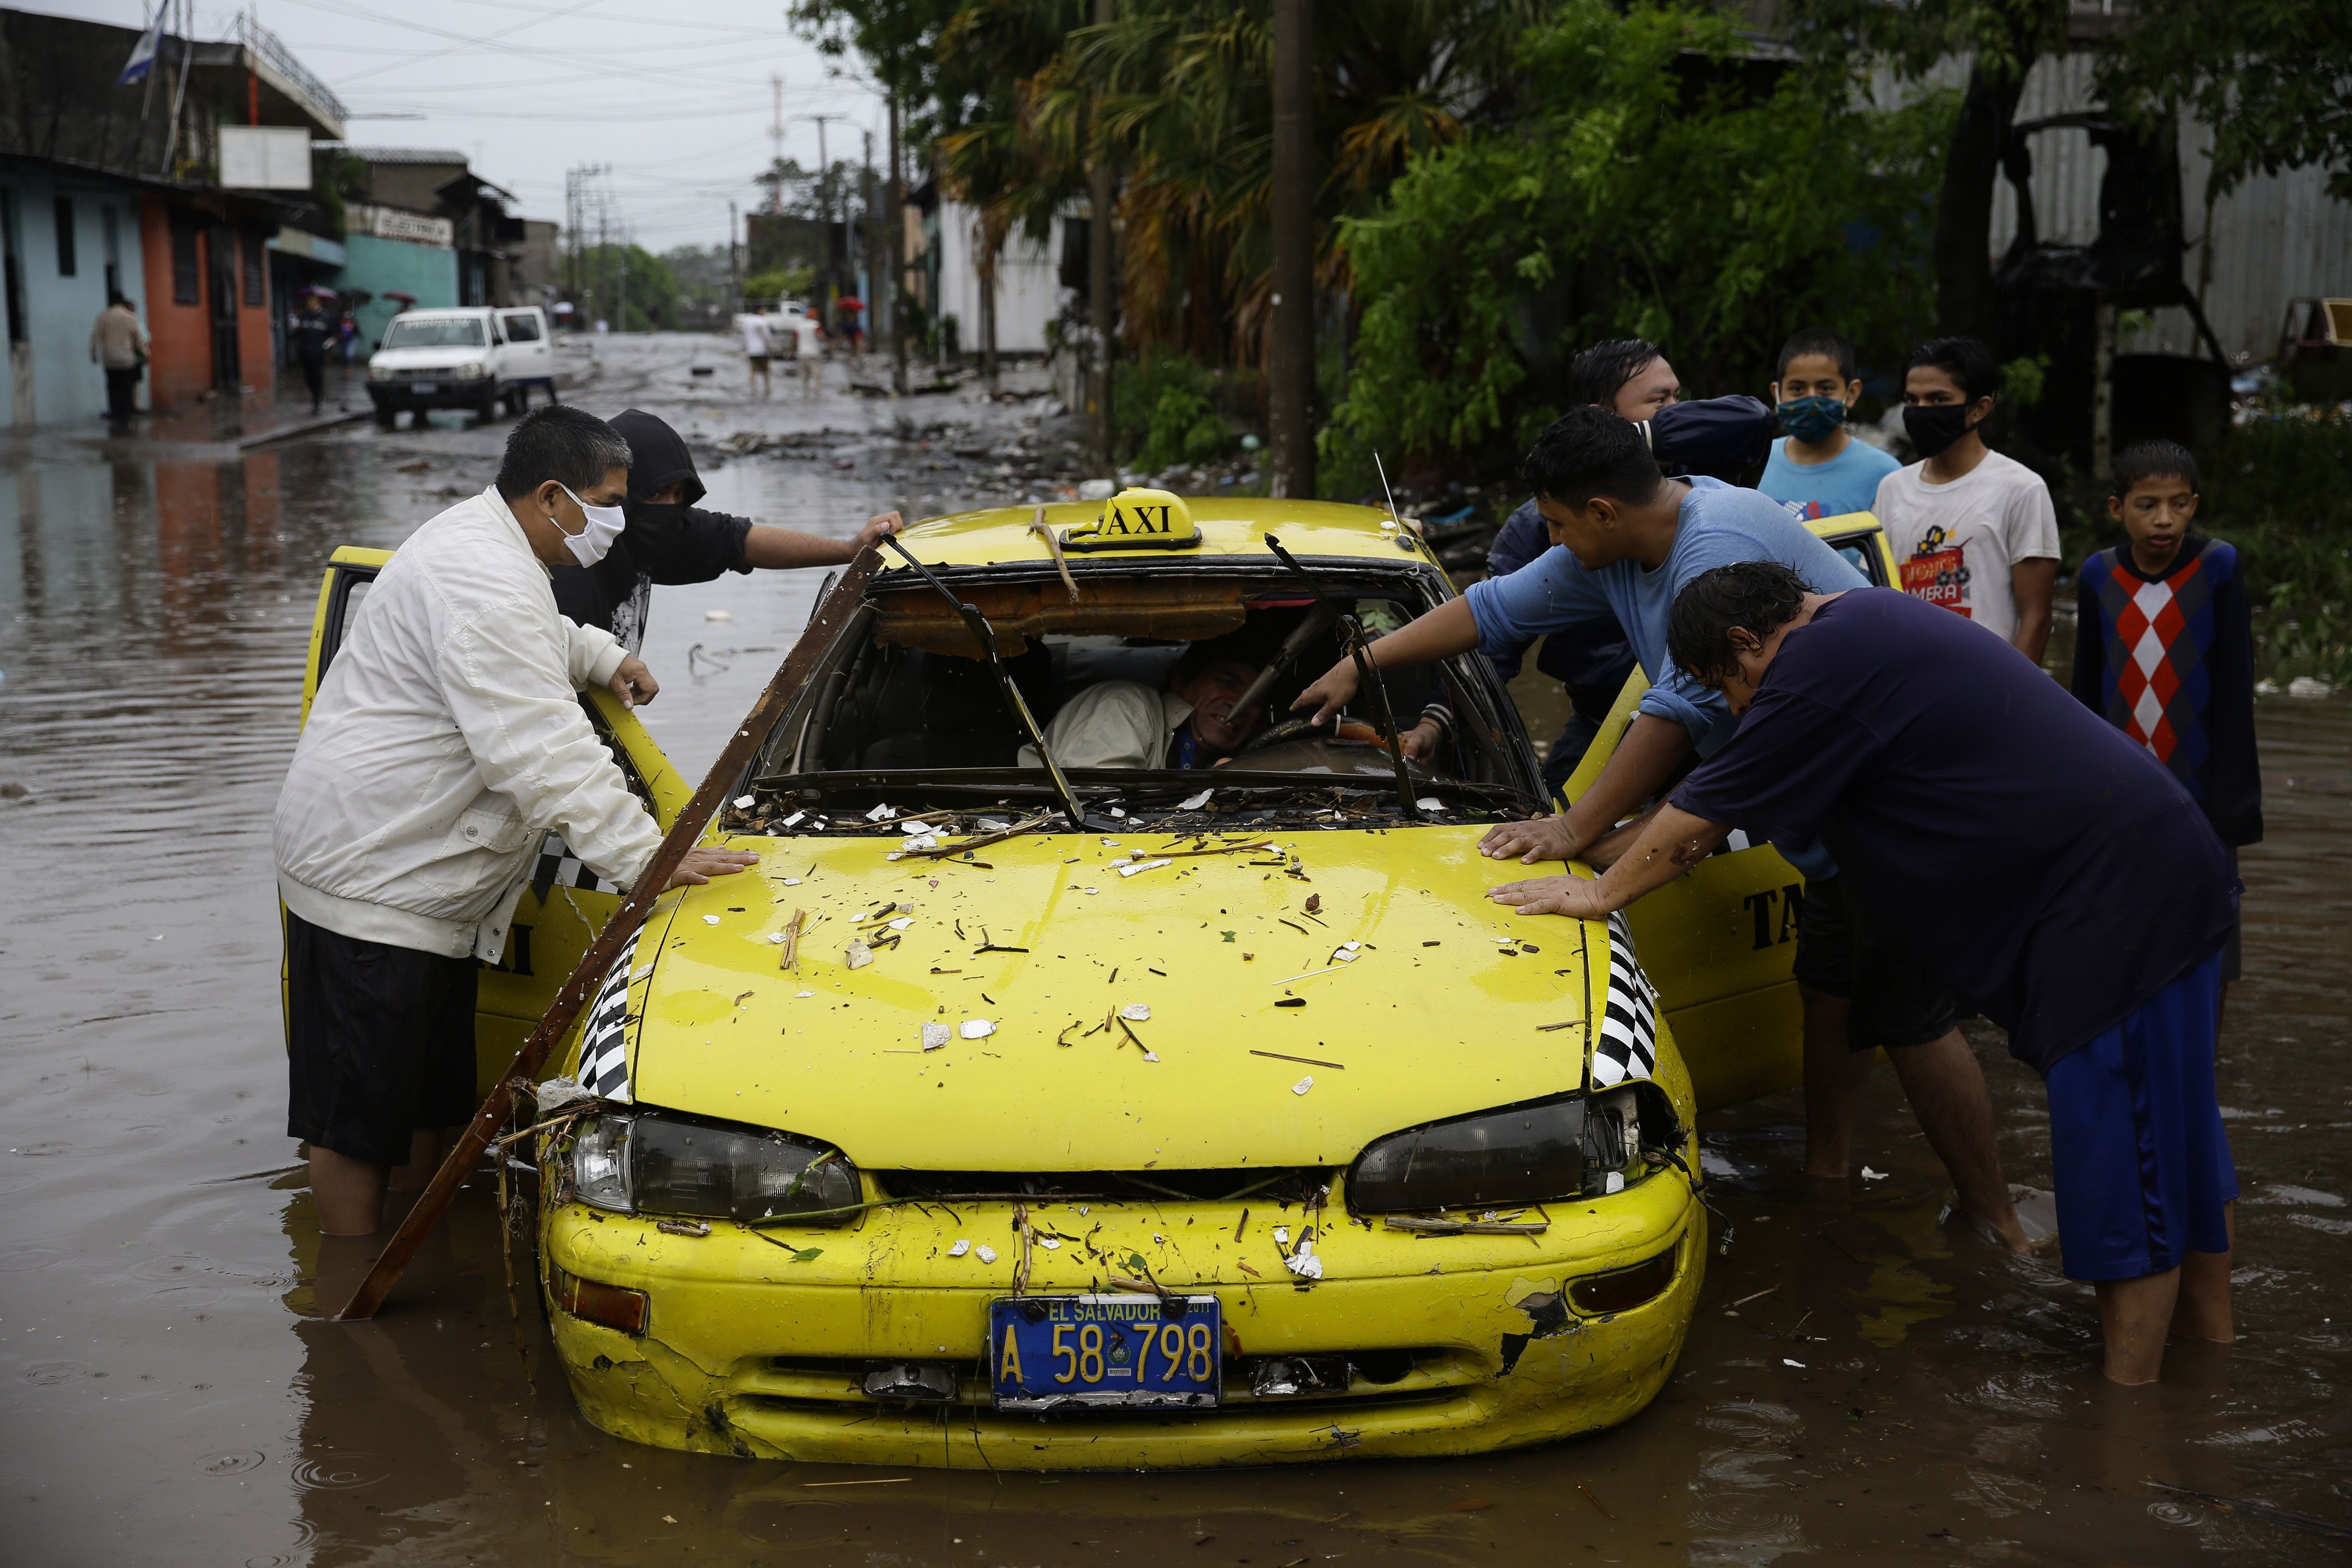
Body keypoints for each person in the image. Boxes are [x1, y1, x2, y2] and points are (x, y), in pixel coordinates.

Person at [1502, 562, 2240, 1385]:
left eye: (1728, 689)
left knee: (2121, 1163)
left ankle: (2129, 1426)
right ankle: (2212, 1363)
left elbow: (1701, 817)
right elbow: (1708, 806)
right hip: (2165, 873)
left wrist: (1599, 892)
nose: (1741, 712)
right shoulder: (1867, 621)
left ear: (1749, 642)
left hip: (2113, 919)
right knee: (2177, 1141)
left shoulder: (1817, 668)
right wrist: (1580, 843)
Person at [1301, 409, 2026, 1241]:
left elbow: (1680, 710)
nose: (1557, 541)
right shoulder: (1619, 549)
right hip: (1818, 812)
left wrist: (1576, 833)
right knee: (1828, 993)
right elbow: (1494, 609)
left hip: (1889, 805)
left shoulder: (1711, 549)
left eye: (1562, 524)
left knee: (1913, 1020)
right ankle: (1828, 1183)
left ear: (1604, 511)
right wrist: (1356, 665)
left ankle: (1995, 1220)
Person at [273, 405, 759, 1237]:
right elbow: (543, 752)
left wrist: (601, 655)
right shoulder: (481, 576)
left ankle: (420, 1251)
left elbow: (534, 634)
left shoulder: (493, 549)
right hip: (374, 879)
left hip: (422, 889)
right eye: (608, 501)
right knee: (357, 1124)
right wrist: (650, 857)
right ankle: (350, 1297)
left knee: (432, 1101)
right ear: (551, 496)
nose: (616, 521)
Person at [2071, 441, 2261, 993]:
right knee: (2123, 939)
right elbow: (2084, 695)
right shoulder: (2097, 575)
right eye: (2147, 504)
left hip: (2202, 794)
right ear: (2116, 509)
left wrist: (2236, 809)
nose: (2163, 519)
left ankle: (2198, 1069)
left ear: (2195, 505)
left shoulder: (2218, 565)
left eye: (2179, 505)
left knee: (2209, 950)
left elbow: (2234, 692)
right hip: (2120, 793)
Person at [550, 409, 902, 652]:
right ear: (621, 495)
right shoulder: (572, 567)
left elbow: (740, 540)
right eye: (654, 493)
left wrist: (848, 549)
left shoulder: (657, 533)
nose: (668, 507)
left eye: (678, 495)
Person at [1872, 337, 2060, 663]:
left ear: (1979, 408)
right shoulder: (1892, 488)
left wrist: (2011, 701)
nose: (1921, 411)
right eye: (1912, 400)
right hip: (1906, 684)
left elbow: (2037, 617)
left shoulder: (2022, 489)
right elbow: (1880, 598)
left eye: (1938, 399)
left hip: (1987, 688)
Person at [1020, 636, 1276, 769]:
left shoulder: (1235, 762)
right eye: (1227, 683)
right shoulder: (1124, 705)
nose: (1239, 703)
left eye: (1256, 699)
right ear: (1181, 680)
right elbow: (1100, 812)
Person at [1757, 327, 1900, 521]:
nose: (1812, 400)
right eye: (1797, 389)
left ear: (1851, 394)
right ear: (1777, 394)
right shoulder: (1756, 464)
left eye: (1826, 389)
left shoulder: (1885, 475)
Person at [89, 291, 147, 430]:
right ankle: (125, 418)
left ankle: (115, 415)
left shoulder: (103, 317)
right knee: (126, 389)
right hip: (127, 360)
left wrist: (94, 355)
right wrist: (145, 353)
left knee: (113, 387)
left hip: (109, 360)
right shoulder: (130, 317)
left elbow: (95, 338)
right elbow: (139, 339)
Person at [292, 297, 333, 414]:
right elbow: (296, 333)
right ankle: (315, 393)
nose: (310, 305)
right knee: (308, 377)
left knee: (317, 376)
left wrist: (327, 349)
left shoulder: (326, 317)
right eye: (309, 303)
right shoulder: (303, 316)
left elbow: (332, 336)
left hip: (319, 353)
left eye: (313, 303)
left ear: (318, 304)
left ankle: (317, 400)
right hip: (305, 352)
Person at [739, 311, 774, 397]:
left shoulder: (747, 322)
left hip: (751, 350)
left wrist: (745, 348)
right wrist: (771, 348)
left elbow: (745, 337)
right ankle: (767, 388)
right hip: (762, 350)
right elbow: (768, 337)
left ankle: (753, 388)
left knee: (753, 370)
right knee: (766, 370)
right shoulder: (763, 321)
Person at [793, 309, 824, 398]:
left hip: (802, 353)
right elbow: (821, 336)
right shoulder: (816, 325)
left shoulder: (799, 326)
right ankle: (816, 387)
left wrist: (792, 350)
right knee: (817, 372)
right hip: (814, 352)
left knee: (805, 375)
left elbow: (795, 340)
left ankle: (805, 392)